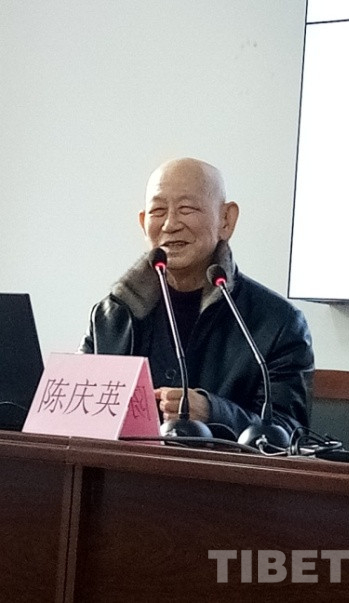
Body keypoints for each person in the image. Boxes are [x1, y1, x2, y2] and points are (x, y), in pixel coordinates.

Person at [79, 157, 314, 439]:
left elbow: (291, 433)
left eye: (187, 209)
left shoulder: (278, 323)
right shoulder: (112, 316)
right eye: (158, 211)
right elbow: (78, 411)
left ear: (226, 220)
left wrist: (214, 413)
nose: (170, 224)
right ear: (143, 222)